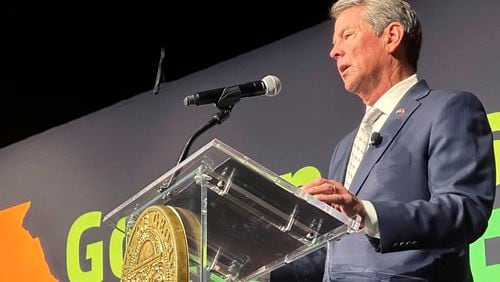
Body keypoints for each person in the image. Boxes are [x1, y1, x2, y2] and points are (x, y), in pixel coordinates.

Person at [302, 0, 496, 281]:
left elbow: (465, 210)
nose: (334, 52)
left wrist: (365, 212)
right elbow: (335, 252)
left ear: (391, 37)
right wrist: (259, 264)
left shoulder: (448, 108)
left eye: (347, 35)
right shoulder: (345, 146)